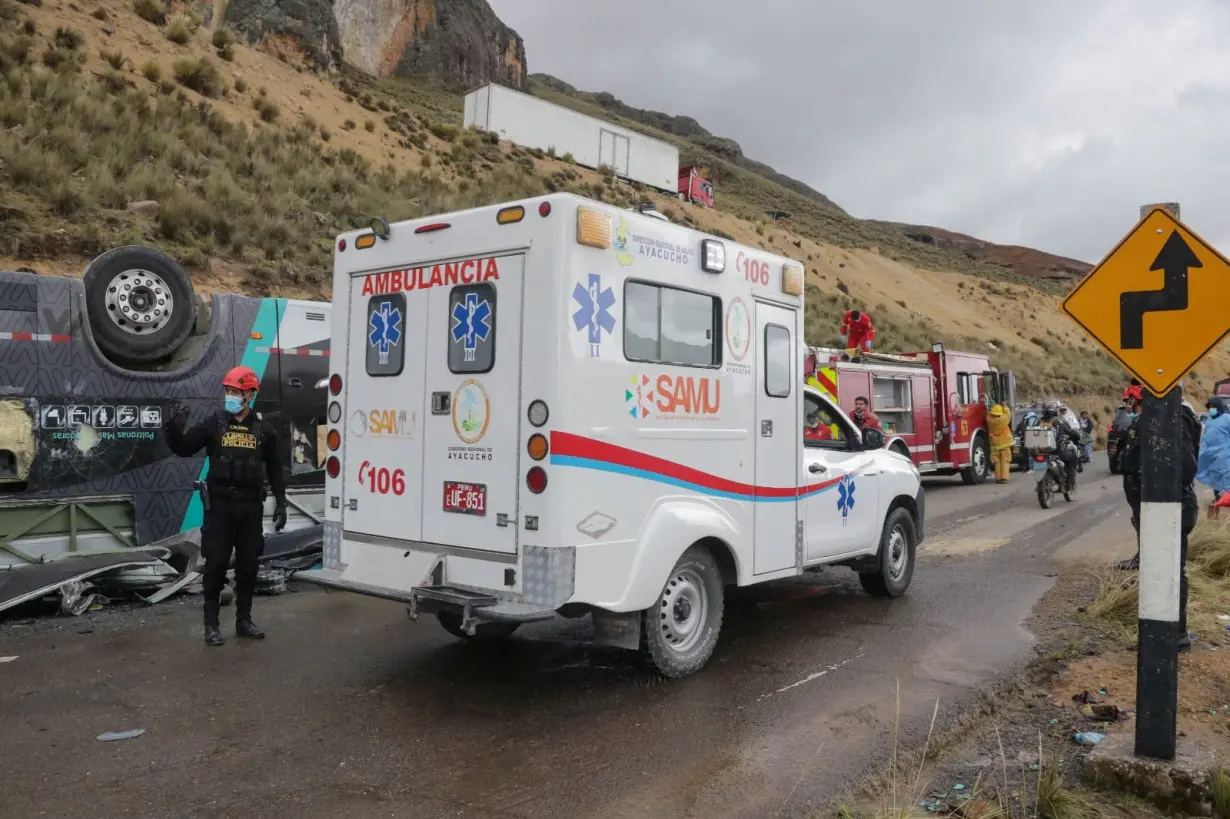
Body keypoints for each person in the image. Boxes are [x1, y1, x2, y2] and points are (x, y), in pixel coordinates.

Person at [169, 365, 288, 647]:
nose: (230, 396)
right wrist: (173, 428)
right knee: (216, 565)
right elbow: (184, 447)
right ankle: (211, 625)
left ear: (250, 395)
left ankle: (244, 621)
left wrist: (281, 503)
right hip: (220, 507)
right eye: (228, 391)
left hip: (250, 508)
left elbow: (275, 468)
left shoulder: (264, 430)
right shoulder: (214, 423)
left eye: (236, 392)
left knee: (248, 566)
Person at [1116, 382, 1200, 650]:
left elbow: (1185, 466)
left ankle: (1173, 637)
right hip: (1160, 506)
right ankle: (1159, 636)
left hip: (1171, 505)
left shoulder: (1175, 414)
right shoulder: (1162, 413)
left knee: (1169, 570)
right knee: (1157, 569)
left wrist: (1157, 487)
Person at [1197, 396, 1230, 510]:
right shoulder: (1209, 421)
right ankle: (1219, 506)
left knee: (1226, 483)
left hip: (1225, 457)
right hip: (1212, 458)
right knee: (1216, 483)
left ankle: (1225, 510)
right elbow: (1206, 438)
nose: (1211, 409)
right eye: (1209, 407)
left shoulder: (1227, 419)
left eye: (1213, 407)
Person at [1039, 401, 1081, 490]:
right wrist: (1077, 437)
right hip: (1057, 451)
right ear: (1055, 411)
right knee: (1072, 458)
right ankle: (1070, 484)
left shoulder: (1038, 422)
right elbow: (1070, 432)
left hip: (1040, 451)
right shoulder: (1058, 421)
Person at [987, 403, 1014, 484]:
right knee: (1005, 461)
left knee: (997, 462)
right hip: (1005, 444)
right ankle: (1004, 478)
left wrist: (990, 409)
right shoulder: (1003, 420)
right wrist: (1005, 407)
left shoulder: (989, 420)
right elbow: (1008, 415)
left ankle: (998, 478)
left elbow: (988, 414)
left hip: (995, 445)